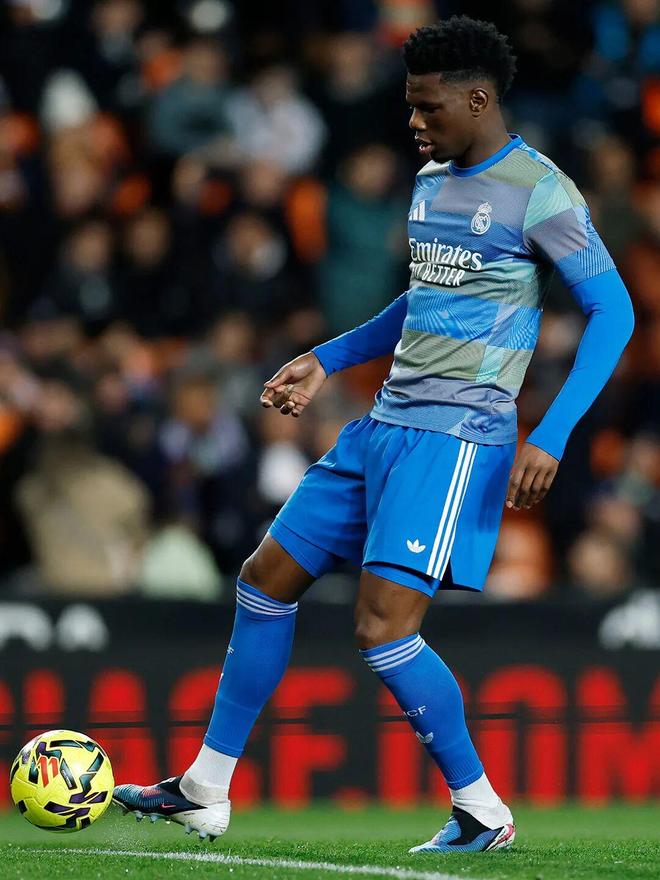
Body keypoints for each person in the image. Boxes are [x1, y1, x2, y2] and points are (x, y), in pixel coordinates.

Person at [113, 17, 635, 854]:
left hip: (456, 434)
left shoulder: (541, 190)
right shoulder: (429, 181)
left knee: (383, 627)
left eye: (428, 107)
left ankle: (482, 810)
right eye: (410, 106)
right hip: (382, 423)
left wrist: (553, 431)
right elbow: (420, 303)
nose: (414, 123)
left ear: (478, 99)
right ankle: (204, 788)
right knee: (264, 579)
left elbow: (614, 311)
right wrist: (327, 357)